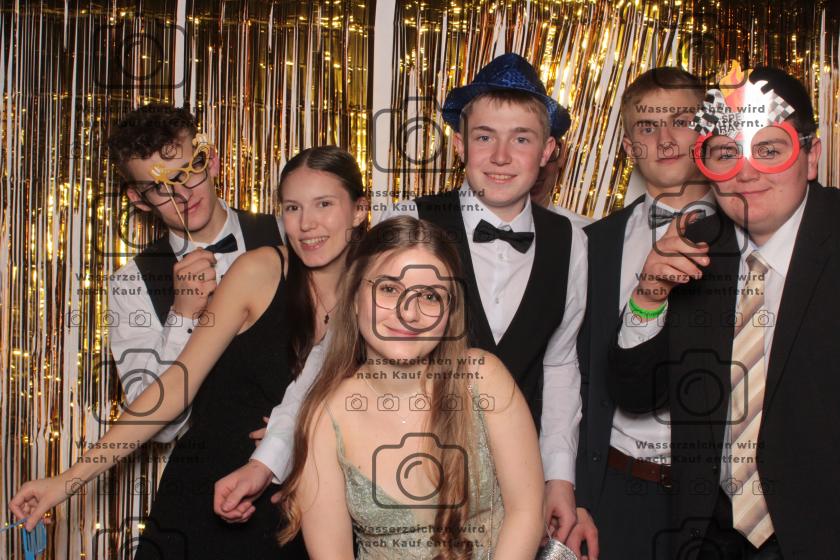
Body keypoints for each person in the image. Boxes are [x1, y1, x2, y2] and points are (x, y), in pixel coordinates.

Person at [215, 54, 588, 546]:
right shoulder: (409, 220)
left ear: (547, 150)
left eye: (521, 138)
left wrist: (559, 477)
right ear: (459, 144)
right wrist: (273, 458)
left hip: (516, 476)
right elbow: (335, 346)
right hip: (408, 467)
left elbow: (560, 365)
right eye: (484, 137)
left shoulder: (572, 240)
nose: (501, 156)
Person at [10, 145, 367, 560]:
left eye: (324, 204)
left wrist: (308, 429)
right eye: (292, 208)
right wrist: (67, 481)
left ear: (359, 210)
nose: (306, 224)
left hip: (312, 511)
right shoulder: (257, 271)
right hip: (208, 505)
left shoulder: (381, 294)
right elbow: (173, 388)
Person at [608, 66, 840, 558]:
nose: (746, 172)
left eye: (769, 150)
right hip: (709, 538)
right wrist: (648, 297)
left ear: (812, 156)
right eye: (726, 153)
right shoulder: (699, 246)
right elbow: (638, 394)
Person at [275, 216, 545, 559]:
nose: (409, 313)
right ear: (355, 296)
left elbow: (527, 512)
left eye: (430, 296)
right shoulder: (323, 420)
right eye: (389, 289)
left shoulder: (481, 378)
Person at [568, 67, 710, 559]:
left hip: (721, 501)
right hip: (619, 492)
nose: (665, 140)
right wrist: (578, 495)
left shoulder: (751, 236)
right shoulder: (592, 245)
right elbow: (571, 376)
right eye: (648, 127)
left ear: (707, 131)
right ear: (629, 147)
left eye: (681, 121)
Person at [107, 105, 285, 443]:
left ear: (211, 161)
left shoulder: (288, 235)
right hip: (210, 464)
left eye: (188, 172)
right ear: (139, 200)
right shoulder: (132, 283)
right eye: (160, 187)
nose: (183, 195)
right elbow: (159, 428)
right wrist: (182, 317)